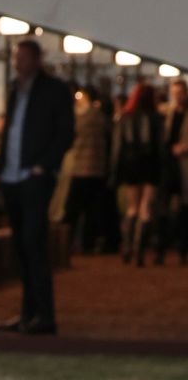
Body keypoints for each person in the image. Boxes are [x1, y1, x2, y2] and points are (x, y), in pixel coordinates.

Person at [0, 36, 74, 334]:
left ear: (36, 60)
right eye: (16, 58)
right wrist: (1, 168)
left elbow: (66, 132)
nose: (18, 63)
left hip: (34, 176)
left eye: (23, 58)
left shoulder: (53, 91)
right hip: (13, 176)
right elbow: (11, 132)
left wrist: (44, 166)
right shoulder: (17, 91)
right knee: (23, 246)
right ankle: (29, 314)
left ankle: (45, 314)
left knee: (33, 243)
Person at [109, 80, 164, 267]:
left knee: (132, 207)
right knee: (145, 208)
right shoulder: (155, 117)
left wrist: (114, 172)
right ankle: (139, 250)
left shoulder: (126, 117)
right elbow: (161, 146)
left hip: (131, 165)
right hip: (151, 165)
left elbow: (117, 147)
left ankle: (127, 247)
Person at [63, 85, 110, 254]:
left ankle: (66, 243)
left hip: (81, 167)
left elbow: (69, 135)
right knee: (92, 210)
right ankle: (87, 243)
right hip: (97, 169)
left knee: (72, 208)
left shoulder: (80, 117)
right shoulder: (101, 117)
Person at [158, 77, 188, 266]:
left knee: (184, 209)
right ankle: (162, 248)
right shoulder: (166, 113)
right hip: (168, 166)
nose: (177, 96)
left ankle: (182, 249)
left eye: (180, 93)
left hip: (182, 165)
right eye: (174, 93)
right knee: (163, 207)